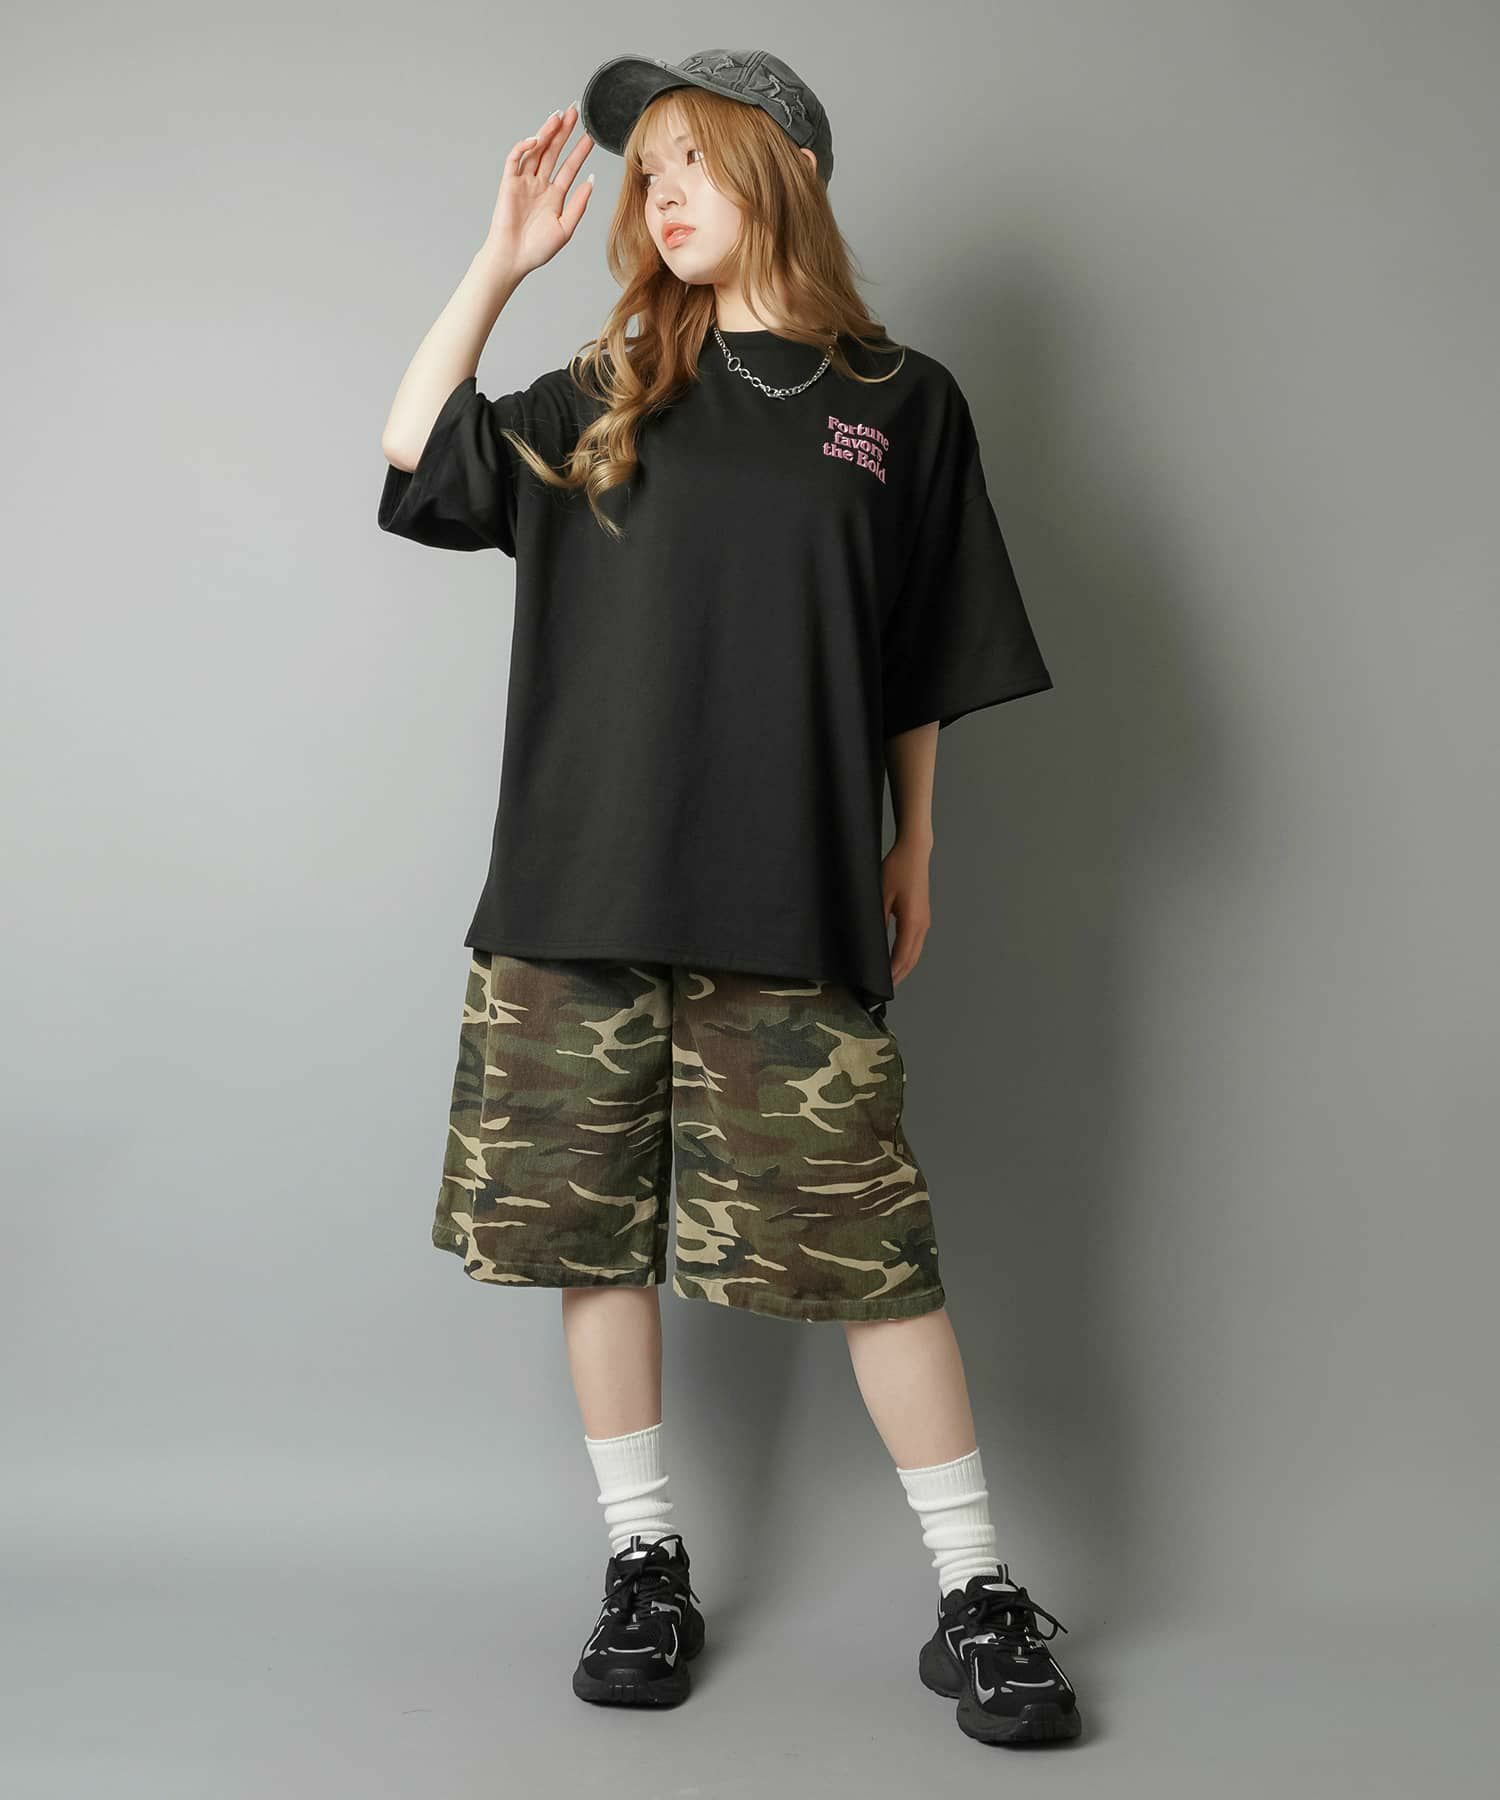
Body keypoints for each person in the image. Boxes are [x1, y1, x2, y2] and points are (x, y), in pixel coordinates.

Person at [377, 47, 1081, 1748]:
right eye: (649, 172)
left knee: (872, 1255)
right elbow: (415, 456)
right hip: (579, 894)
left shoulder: (899, 402)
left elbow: (921, 648)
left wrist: (914, 841)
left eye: (694, 158)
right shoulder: (613, 378)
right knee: (592, 1241)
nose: (661, 193)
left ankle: (978, 1594)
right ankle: (645, 1564)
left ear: (787, 172)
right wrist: (499, 261)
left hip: (788, 891)